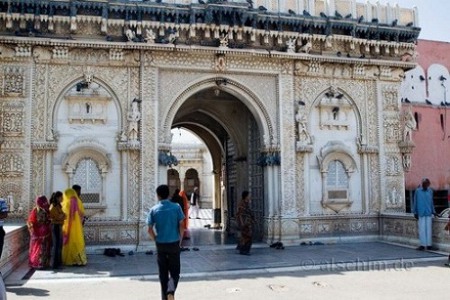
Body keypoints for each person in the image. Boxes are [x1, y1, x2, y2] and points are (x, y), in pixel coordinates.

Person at [147, 184, 185, 300]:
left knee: (163, 274)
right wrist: (180, 239)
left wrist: (156, 240)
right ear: (168, 194)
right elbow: (182, 225)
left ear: (158, 196)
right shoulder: (176, 207)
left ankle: (166, 297)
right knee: (175, 272)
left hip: (161, 244)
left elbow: (149, 229)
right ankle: (171, 291)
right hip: (174, 243)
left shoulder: (154, 210)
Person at [62, 188, 87, 266]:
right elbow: (82, 213)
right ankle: (79, 260)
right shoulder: (77, 201)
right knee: (77, 242)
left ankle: (72, 260)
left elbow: (67, 216)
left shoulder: (68, 202)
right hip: (77, 227)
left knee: (70, 243)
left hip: (70, 226)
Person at [412, 178, 438, 251]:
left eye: (427, 184)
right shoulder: (418, 191)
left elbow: (431, 202)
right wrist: (415, 212)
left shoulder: (430, 191)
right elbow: (415, 202)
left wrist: (434, 211)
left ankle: (429, 245)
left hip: (428, 212)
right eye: (424, 184)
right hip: (421, 212)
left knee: (429, 230)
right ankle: (423, 245)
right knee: (422, 229)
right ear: (422, 184)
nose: (426, 185)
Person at [27, 195, 52, 269]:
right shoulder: (37, 210)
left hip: (43, 232)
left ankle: (41, 263)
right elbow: (30, 221)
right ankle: (39, 263)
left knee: (43, 247)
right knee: (40, 248)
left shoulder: (43, 210)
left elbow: (31, 221)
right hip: (40, 232)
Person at [49, 191, 66, 269]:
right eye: (61, 197)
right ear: (57, 198)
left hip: (59, 225)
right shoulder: (53, 207)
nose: (62, 198)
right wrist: (62, 216)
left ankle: (58, 262)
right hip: (55, 226)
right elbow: (59, 217)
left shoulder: (58, 206)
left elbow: (64, 216)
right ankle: (54, 264)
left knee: (59, 245)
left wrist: (62, 216)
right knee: (56, 245)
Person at [236, 191, 255, 256]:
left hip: (248, 223)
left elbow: (249, 213)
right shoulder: (242, 204)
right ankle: (244, 250)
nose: (250, 197)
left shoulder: (247, 203)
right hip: (244, 224)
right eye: (249, 195)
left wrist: (253, 219)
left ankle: (245, 249)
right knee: (246, 237)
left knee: (248, 236)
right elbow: (240, 214)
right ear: (246, 196)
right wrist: (242, 224)